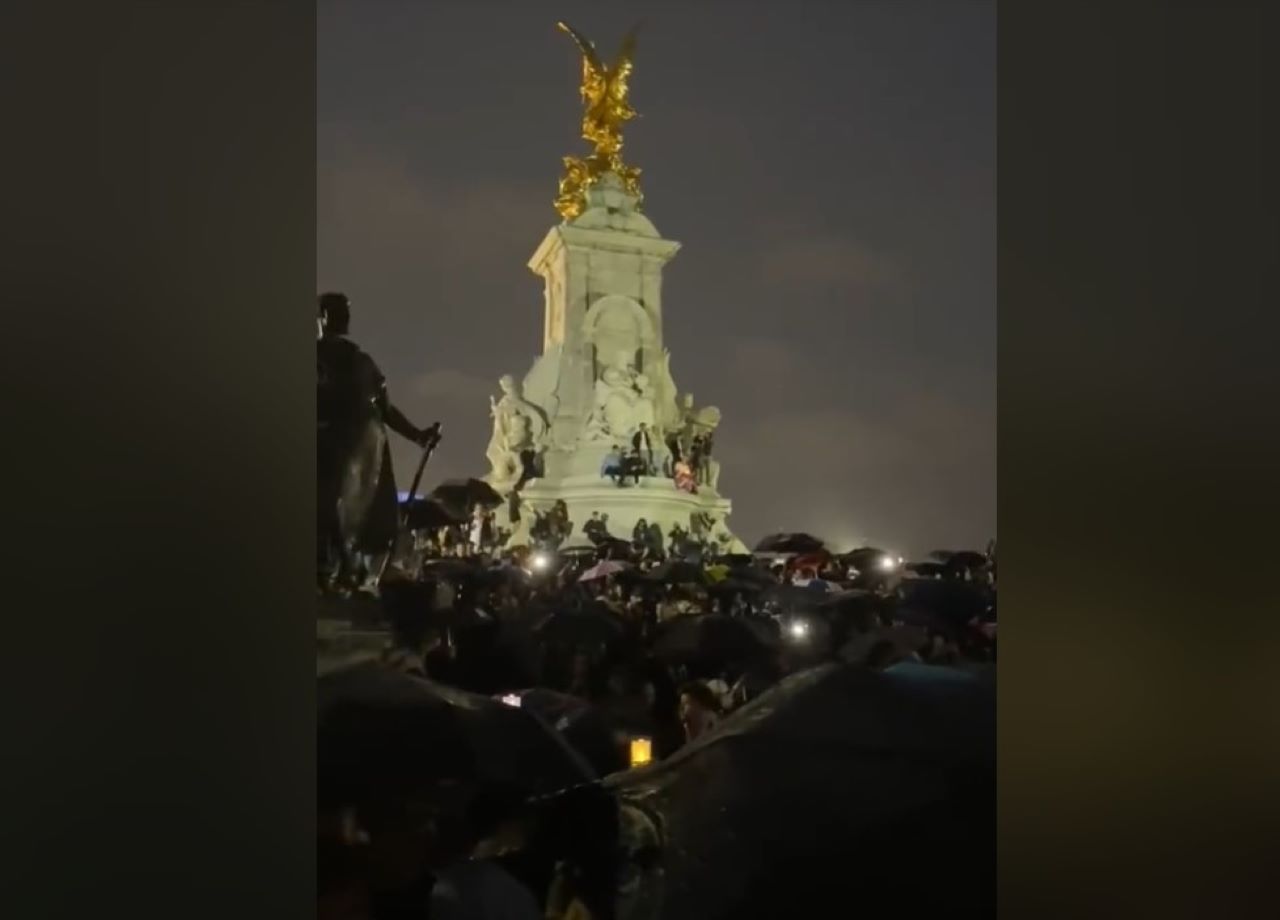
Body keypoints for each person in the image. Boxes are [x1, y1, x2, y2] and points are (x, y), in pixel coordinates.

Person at [317, 292, 439, 592]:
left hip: (344, 443)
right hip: (358, 442)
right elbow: (385, 409)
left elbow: (383, 408)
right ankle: (341, 570)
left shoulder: (355, 360)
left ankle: (337, 571)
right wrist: (417, 435)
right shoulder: (358, 360)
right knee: (343, 511)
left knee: (336, 510)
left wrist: (417, 435)